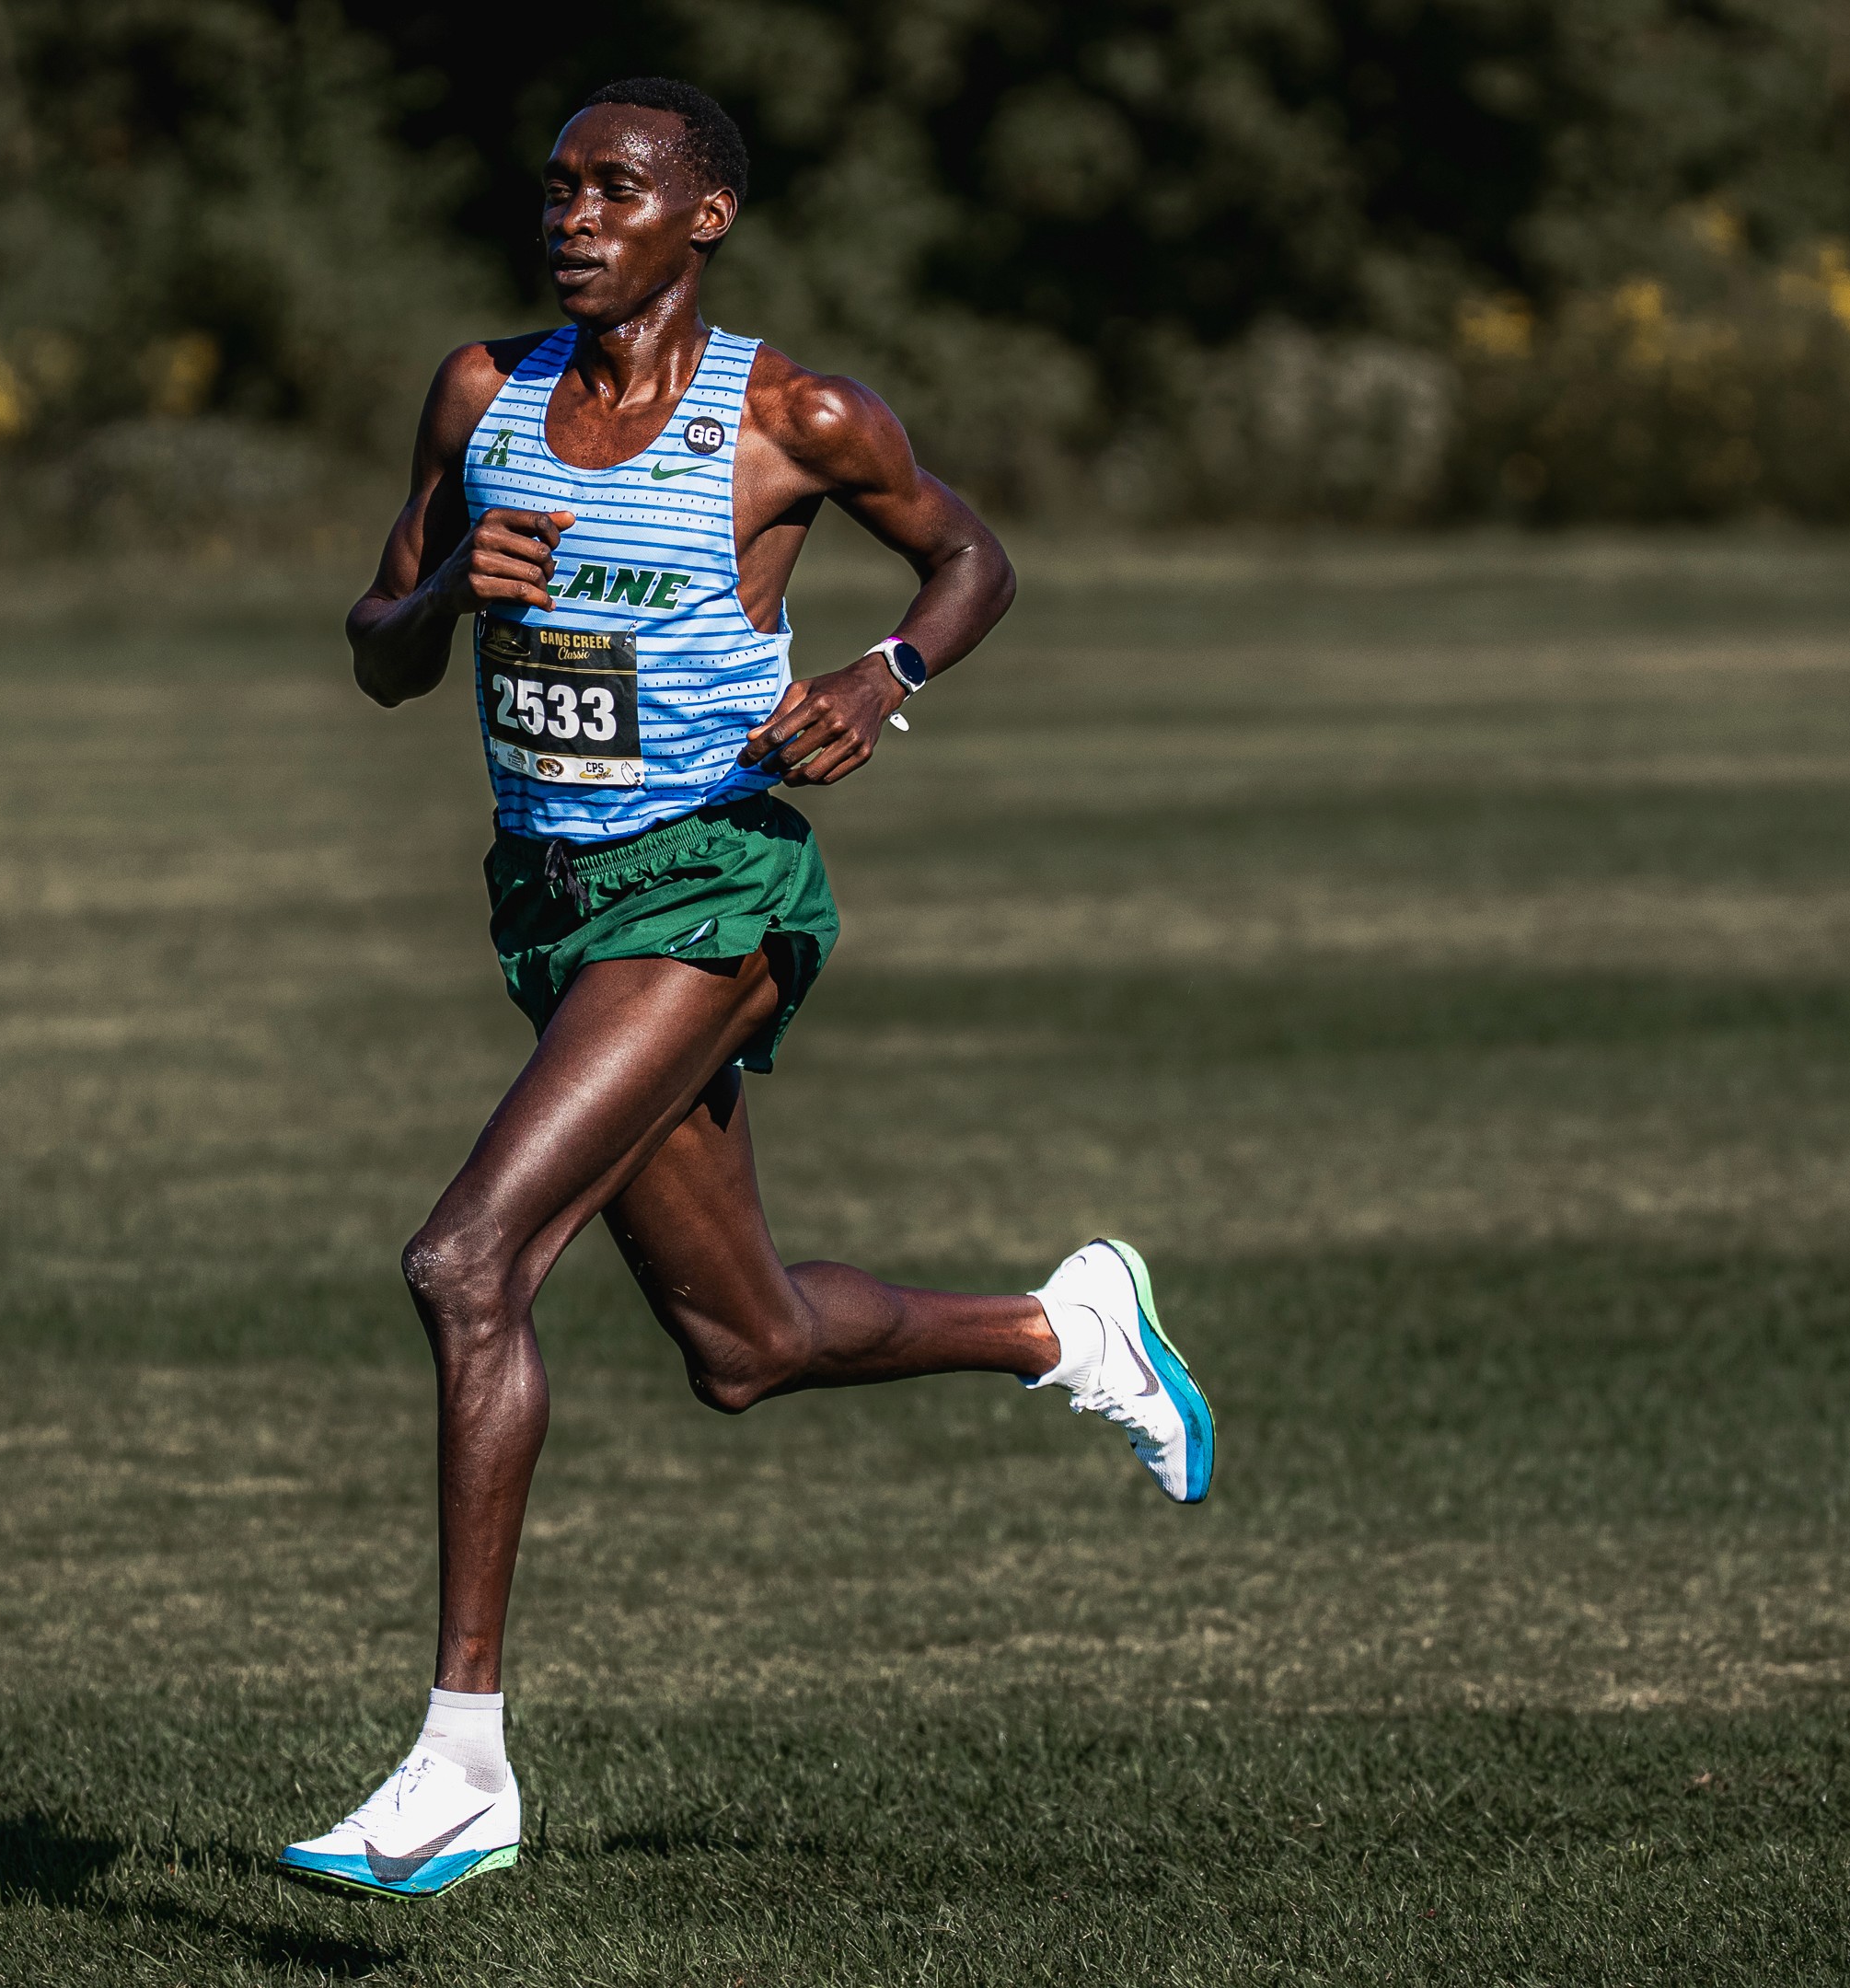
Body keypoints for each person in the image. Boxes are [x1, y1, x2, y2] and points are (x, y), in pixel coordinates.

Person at [279, 76, 1214, 1901]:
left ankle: (460, 1765)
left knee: (467, 1263)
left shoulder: (792, 415)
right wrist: (446, 593)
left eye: (616, 188)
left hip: (711, 886)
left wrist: (880, 681)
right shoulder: (481, 396)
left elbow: (971, 555)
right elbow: (380, 655)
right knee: (745, 1349)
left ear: (704, 216)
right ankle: (1065, 1327)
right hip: (552, 907)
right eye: (558, 187)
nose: (574, 217)